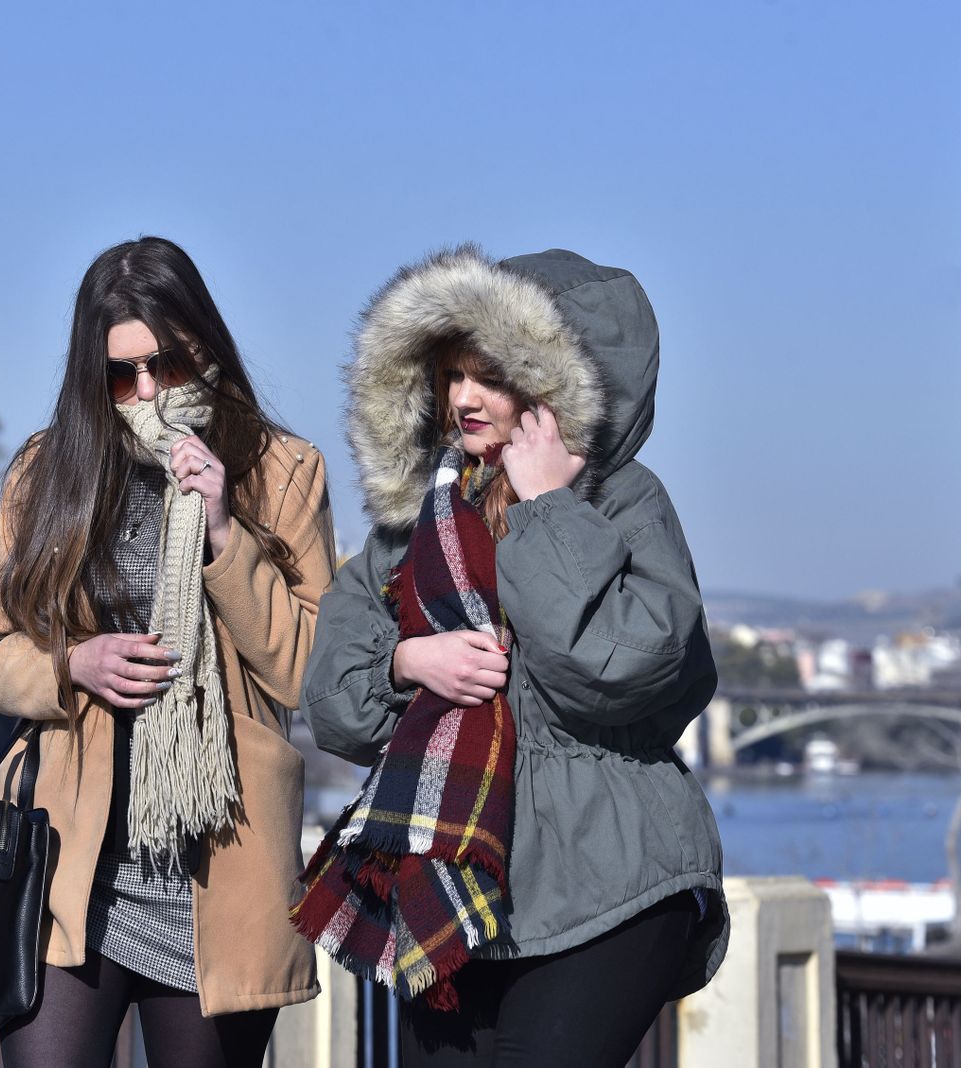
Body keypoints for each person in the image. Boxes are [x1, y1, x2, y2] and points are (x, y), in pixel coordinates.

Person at [296, 246, 728, 1067]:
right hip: (455, 879)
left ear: (552, 380)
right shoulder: (415, 524)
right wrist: (409, 664)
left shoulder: (626, 502)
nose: (463, 397)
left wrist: (548, 508)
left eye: (489, 376)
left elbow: (613, 668)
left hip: (608, 880)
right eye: (451, 374)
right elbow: (335, 706)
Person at [0, 236, 330, 1067]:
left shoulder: (283, 472)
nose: (148, 393)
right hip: (69, 875)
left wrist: (228, 533)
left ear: (207, 346)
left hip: (217, 871)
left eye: (166, 364)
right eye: (121, 375)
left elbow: (307, 671)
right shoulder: (47, 472)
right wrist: (70, 667)